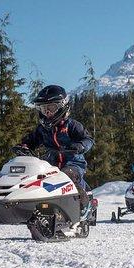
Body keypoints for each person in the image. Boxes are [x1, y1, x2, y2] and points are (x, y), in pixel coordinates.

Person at [13, 85, 94, 214]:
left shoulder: (72, 125)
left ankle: (82, 205)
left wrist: (80, 146)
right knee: (36, 180)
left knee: (67, 176)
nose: (47, 112)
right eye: (43, 109)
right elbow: (32, 140)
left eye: (51, 108)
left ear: (63, 106)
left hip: (73, 163)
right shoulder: (42, 129)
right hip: (50, 164)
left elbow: (88, 139)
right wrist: (24, 146)